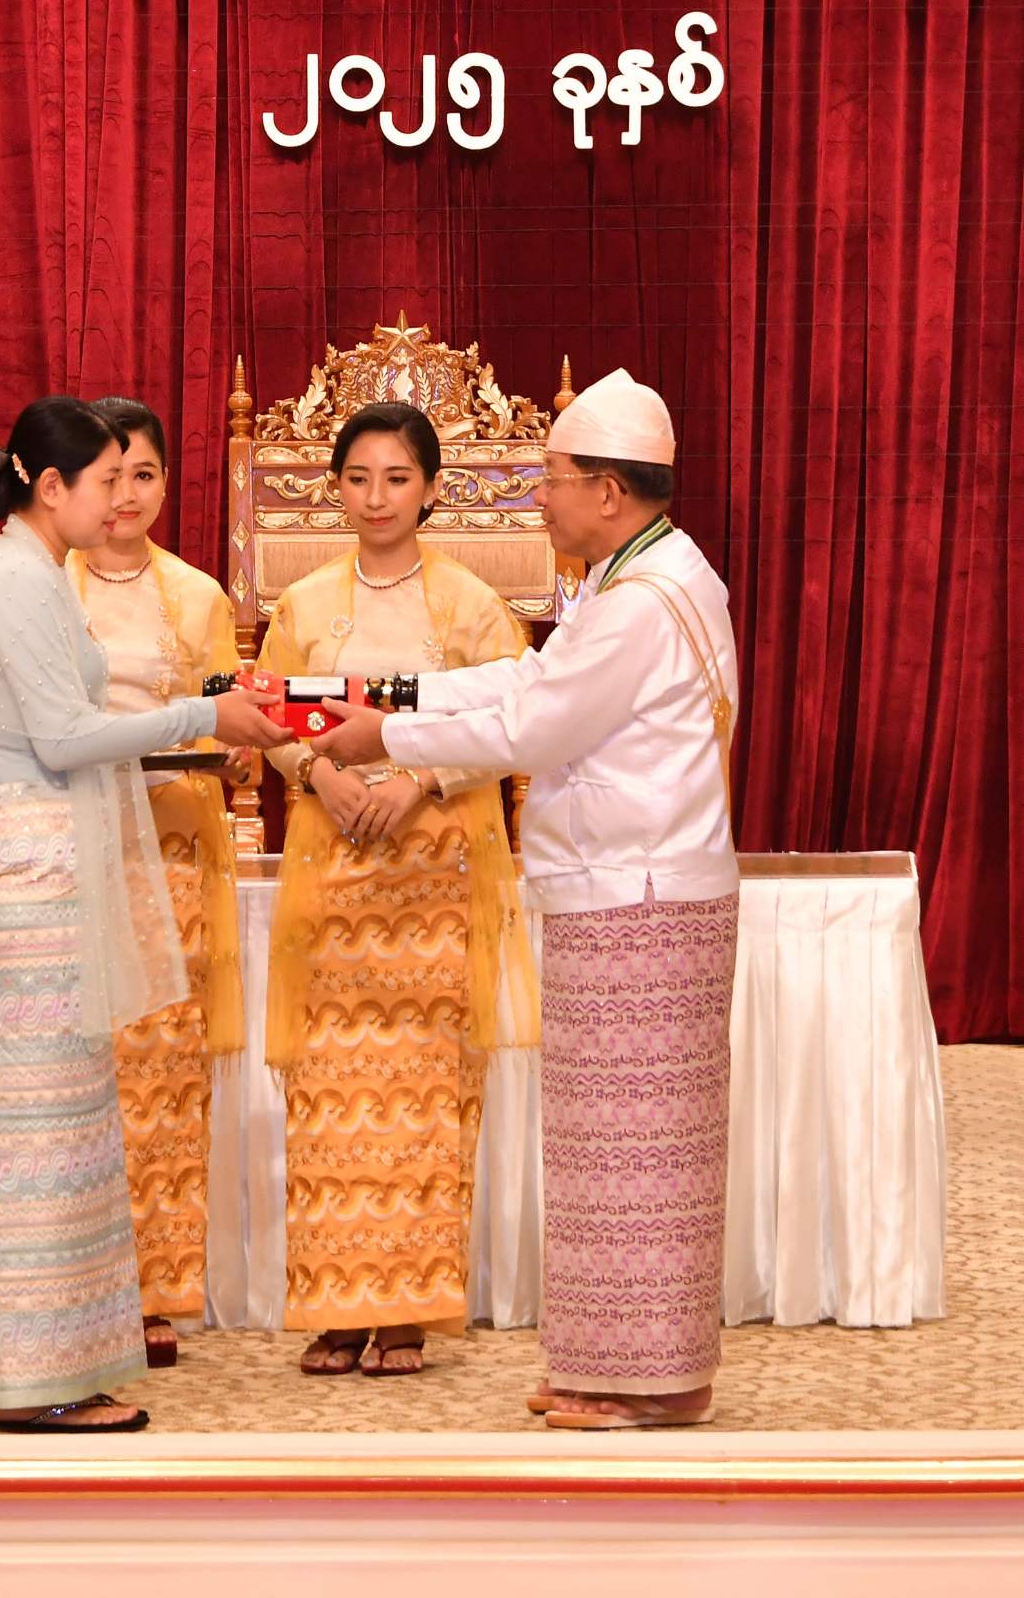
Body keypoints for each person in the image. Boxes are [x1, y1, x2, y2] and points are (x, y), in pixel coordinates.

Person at [313, 369, 739, 1429]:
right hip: (620, 892)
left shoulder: (642, 601)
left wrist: (385, 733)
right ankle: (609, 1365)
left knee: (637, 1154)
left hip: (639, 896)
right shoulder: (633, 576)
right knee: (602, 1149)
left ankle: (649, 1382)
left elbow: (533, 727)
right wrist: (393, 694)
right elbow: (523, 683)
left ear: (607, 491)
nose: (535, 498)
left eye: (550, 480)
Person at [0, 396, 290, 1432]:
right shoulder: (18, 579)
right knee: (40, 1141)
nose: (115, 502)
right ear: (50, 487)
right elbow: (60, 737)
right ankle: (36, 1379)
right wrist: (201, 714)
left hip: (57, 862)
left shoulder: (35, 570)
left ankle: (59, 1367)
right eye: (102, 481)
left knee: (68, 1132)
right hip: (31, 864)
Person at [258, 401, 540, 1378]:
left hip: (435, 875)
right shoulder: (301, 607)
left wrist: (417, 778)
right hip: (332, 870)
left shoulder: (472, 607)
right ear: (333, 487)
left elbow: (511, 722)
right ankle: (335, 1310)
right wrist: (319, 775)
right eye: (357, 477)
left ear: (429, 490)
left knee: (424, 1091)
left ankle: (410, 1308)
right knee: (329, 1094)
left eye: (396, 478)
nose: (375, 497)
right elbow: (268, 719)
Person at [65, 395, 244, 1367]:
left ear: (168, 482)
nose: (126, 495)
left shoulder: (198, 595)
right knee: (84, 1076)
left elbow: (223, 715)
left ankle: (158, 1289)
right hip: (75, 850)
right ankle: (80, 1283)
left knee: (167, 1077)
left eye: (144, 474)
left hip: (170, 850)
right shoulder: (44, 584)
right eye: (110, 476)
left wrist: (235, 744)